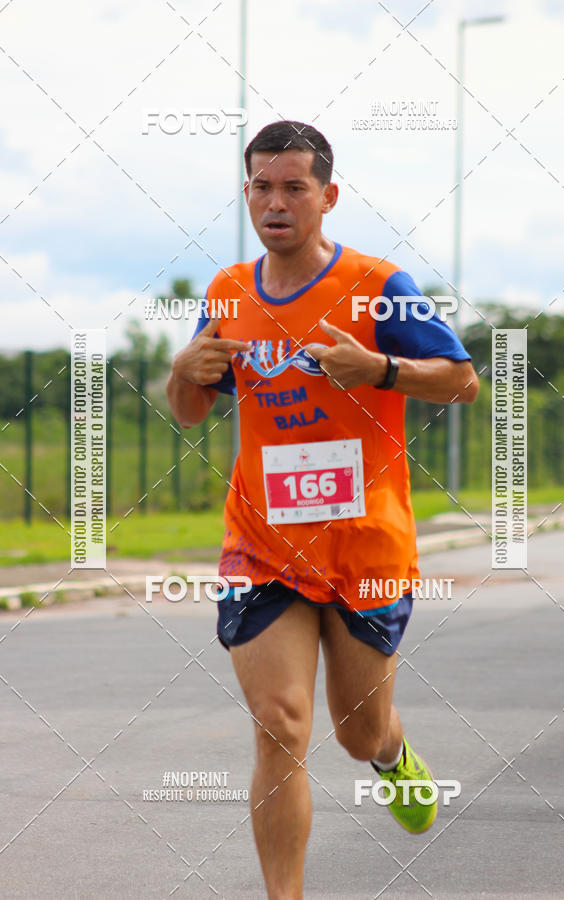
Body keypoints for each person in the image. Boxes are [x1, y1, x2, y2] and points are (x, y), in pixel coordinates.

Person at [167, 120, 479, 899]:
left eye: (294, 187)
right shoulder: (227, 293)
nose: (276, 202)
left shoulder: (379, 284)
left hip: (365, 549)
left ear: (327, 197)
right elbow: (190, 410)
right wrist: (182, 369)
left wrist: (375, 366)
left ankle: (389, 755)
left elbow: (461, 379)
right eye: (262, 187)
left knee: (355, 730)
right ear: (247, 195)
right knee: (280, 723)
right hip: (263, 546)